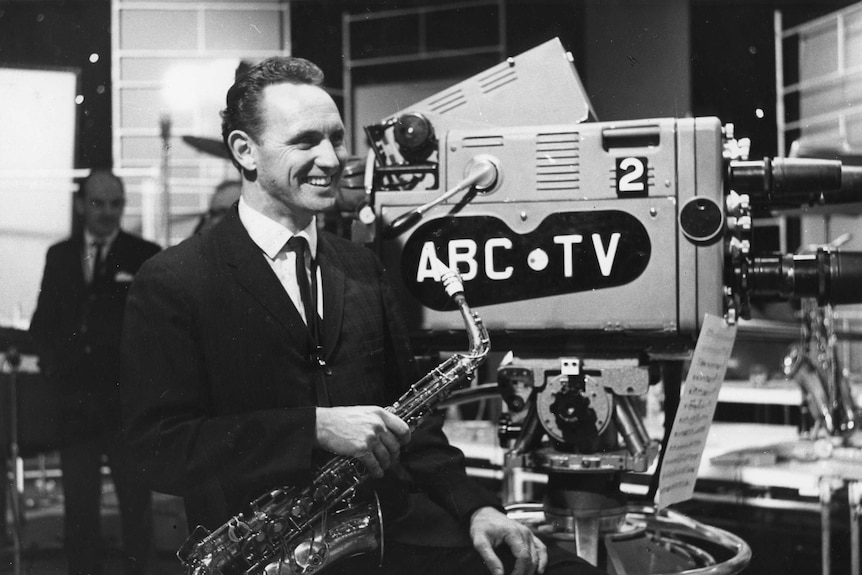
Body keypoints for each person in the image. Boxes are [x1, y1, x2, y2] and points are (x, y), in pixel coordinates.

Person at [120, 57, 601, 575]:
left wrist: (476, 507)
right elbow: (157, 449)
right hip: (271, 555)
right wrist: (313, 429)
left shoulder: (360, 265)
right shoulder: (174, 279)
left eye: (336, 138)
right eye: (306, 142)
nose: (332, 159)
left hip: (391, 527)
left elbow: (414, 420)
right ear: (245, 151)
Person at [30, 169, 160, 575]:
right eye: (98, 203)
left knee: (136, 507)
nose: (107, 212)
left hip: (126, 406)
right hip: (75, 406)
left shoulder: (145, 254)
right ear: (80, 205)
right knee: (79, 508)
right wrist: (54, 365)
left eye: (116, 204)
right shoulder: (60, 256)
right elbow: (42, 324)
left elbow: (157, 330)